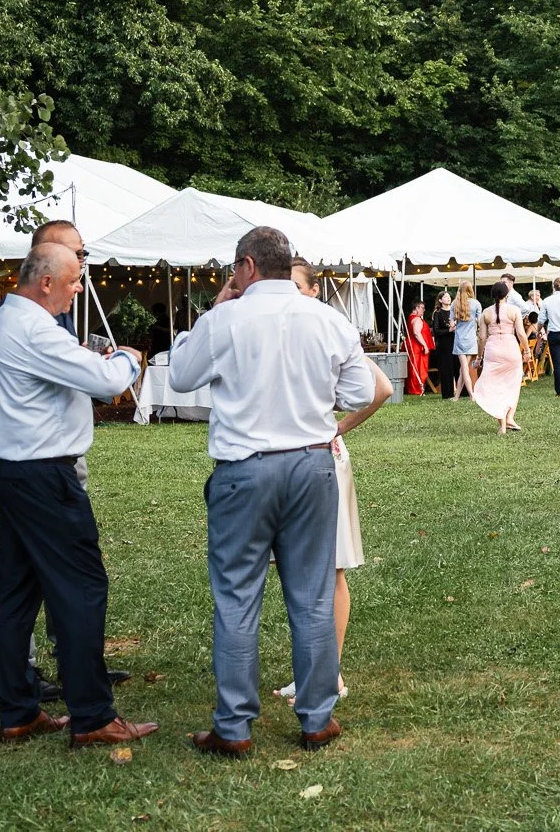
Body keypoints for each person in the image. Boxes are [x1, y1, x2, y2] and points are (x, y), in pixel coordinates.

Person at [171, 226, 389, 757]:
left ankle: (235, 726)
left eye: (231, 272)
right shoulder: (326, 319)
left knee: (237, 599)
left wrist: (218, 305)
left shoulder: (224, 319)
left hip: (244, 470)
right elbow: (362, 390)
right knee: (313, 595)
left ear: (246, 267)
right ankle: (316, 718)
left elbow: (180, 375)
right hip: (311, 465)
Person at [0, 242, 152, 748]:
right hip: (42, 474)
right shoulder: (32, 329)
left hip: (8, 467)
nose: (79, 288)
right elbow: (104, 381)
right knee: (81, 588)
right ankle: (93, 716)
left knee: (16, 592)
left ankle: (18, 710)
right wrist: (126, 357)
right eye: (74, 278)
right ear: (46, 281)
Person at [275, 259, 392, 705]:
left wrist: (339, 428)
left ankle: (332, 674)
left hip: (324, 460)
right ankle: (311, 669)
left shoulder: (328, 328)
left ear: (312, 292)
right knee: (299, 572)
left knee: (330, 569)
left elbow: (380, 388)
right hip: (293, 462)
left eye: (293, 285)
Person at [472, 278, 528, 433]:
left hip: (493, 350)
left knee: (495, 386)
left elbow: (482, 337)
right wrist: (528, 351)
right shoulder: (514, 310)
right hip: (510, 349)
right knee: (513, 384)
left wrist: (478, 357)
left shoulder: (486, 313)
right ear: (507, 294)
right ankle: (509, 418)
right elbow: (521, 334)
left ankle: (502, 425)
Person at [449, 287, 482, 400]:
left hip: (459, 339)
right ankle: (460, 396)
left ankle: (469, 395)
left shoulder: (454, 304)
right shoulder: (476, 303)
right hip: (471, 338)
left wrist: (455, 325)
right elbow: (480, 320)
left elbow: (452, 322)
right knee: (464, 369)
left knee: (464, 368)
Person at [404, 300, 433, 397]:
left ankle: (415, 389)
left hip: (411, 345)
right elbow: (417, 333)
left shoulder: (410, 318)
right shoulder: (417, 319)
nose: (423, 311)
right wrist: (424, 345)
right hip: (417, 347)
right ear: (417, 308)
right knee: (419, 368)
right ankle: (417, 389)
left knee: (413, 367)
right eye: (422, 308)